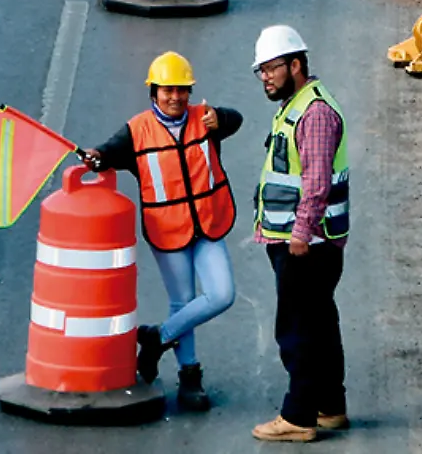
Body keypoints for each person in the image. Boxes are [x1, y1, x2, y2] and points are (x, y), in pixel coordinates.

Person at [79, 51, 240, 413]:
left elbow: (236, 119)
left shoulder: (206, 118)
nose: (175, 97)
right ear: (153, 91)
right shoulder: (137, 131)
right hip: (168, 233)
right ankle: (190, 377)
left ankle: (157, 337)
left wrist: (222, 117)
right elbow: (107, 153)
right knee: (182, 301)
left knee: (222, 294)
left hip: (208, 224)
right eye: (167, 90)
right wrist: (95, 157)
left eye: (182, 90)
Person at [249, 25, 352, 444]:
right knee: (321, 323)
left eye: (271, 68)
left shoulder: (315, 114)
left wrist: (301, 234)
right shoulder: (298, 106)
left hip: (307, 244)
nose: (265, 77)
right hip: (306, 240)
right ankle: (330, 406)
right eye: (260, 71)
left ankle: (299, 415)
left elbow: (316, 182)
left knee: (297, 330)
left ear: (296, 64)